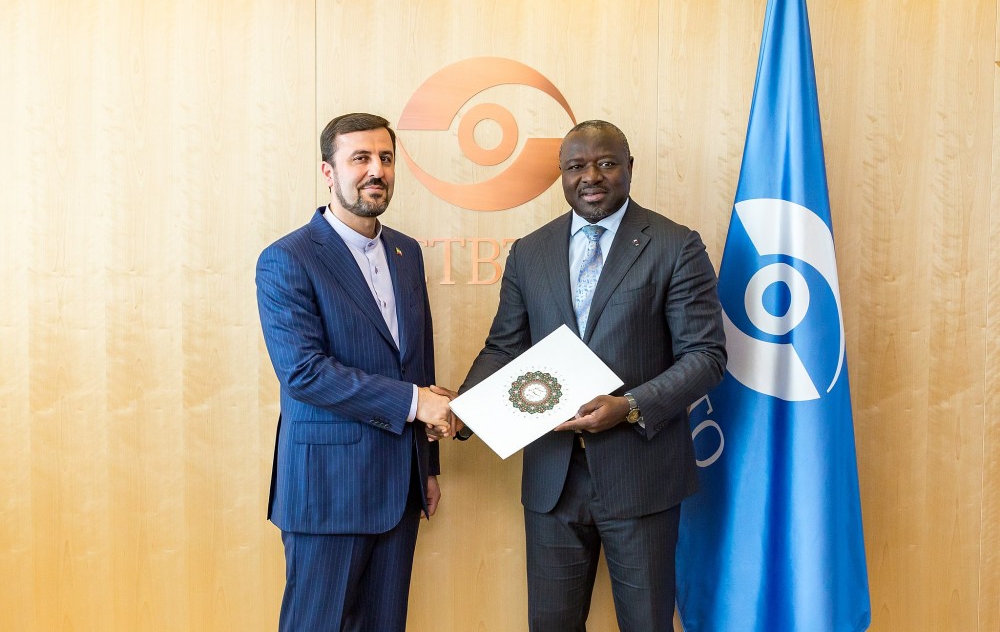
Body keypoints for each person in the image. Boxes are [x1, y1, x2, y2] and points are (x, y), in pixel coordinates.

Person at [458, 120, 727, 631]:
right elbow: (504, 347)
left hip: (641, 475)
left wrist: (631, 406)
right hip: (552, 479)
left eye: (606, 163)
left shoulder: (675, 245)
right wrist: (465, 412)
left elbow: (706, 355)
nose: (591, 177)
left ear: (629, 168)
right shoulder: (530, 252)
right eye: (576, 166)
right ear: (562, 175)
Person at [256, 112, 454, 632]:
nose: (376, 171)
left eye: (385, 159)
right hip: (329, 492)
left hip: (401, 485)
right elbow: (304, 372)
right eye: (360, 158)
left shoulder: (406, 252)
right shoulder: (287, 258)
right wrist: (417, 404)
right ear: (328, 171)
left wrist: (427, 463)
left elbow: (419, 361)